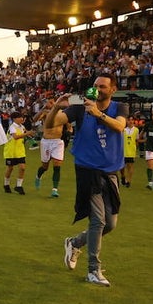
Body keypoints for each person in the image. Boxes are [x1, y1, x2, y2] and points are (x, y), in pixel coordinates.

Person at [52, 74, 128, 287]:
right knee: (98, 221)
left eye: (102, 86)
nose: (97, 89)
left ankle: (75, 243)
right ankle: (93, 270)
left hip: (110, 171)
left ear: (112, 89)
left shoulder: (120, 107)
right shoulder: (80, 106)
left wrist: (98, 114)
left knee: (110, 224)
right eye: (95, 86)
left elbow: (120, 126)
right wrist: (57, 107)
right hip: (88, 170)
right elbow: (55, 122)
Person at [33, 100, 69, 197]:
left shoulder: (63, 114)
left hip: (58, 142)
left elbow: (69, 126)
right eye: (50, 102)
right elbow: (34, 119)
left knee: (57, 166)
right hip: (46, 141)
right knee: (45, 166)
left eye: (53, 102)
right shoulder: (46, 113)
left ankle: (54, 189)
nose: (51, 104)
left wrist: (69, 132)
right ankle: (38, 176)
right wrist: (43, 108)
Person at [2, 110, 29, 194]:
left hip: (20, 151)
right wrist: (27, 134)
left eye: (22, 117)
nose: (21, 118)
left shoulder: (22, 127)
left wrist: (29, 136)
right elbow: (15, 137)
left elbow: (23, 136)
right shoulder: (12, 127)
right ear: (14, 119)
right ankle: (6, 185)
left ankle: (19, 186)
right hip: (11, 151)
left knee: (22, 168)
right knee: (10, 168)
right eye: (19, 117)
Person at [120, 113, 140, 187]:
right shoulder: (123, 129)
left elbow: (137, 140)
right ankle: (123, 177)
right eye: (129, 120)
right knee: (122, 166)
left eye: (132, 120)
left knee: (130, 166)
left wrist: (135, 147)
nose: (131, 121)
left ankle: (129, 181)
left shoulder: (136, 130)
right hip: (123, 150)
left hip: (131, 151)